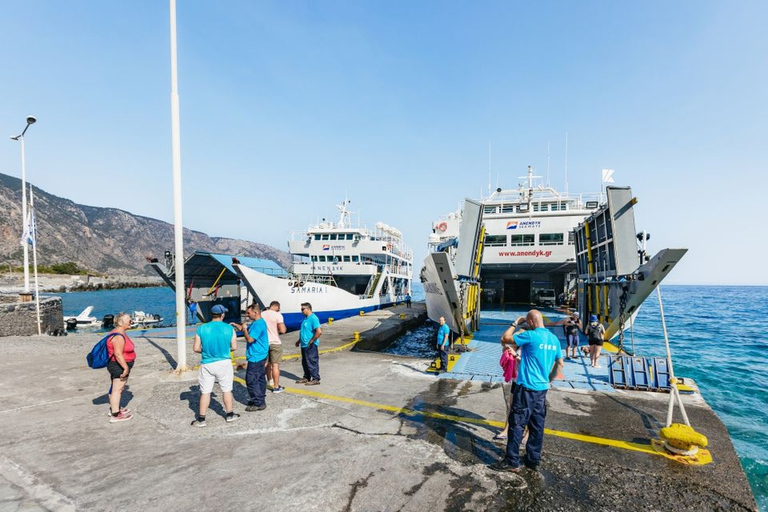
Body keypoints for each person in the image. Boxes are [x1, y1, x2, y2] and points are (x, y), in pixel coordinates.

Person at [490, 309, 564, 473]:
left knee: (517, 424)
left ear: (530, 322)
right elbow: (560, 364)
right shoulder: (554, 339)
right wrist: (548, 380)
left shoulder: (531, 335)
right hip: (542, 390)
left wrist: (515, 322)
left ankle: (512, 461)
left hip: (526, 389)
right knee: (537, 426)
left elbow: (504, 339)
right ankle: (533, 460)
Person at [191, 304, 240, 427]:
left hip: (207, 364)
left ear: (211, 314)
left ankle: (201, 419)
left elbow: (196, 348)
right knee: (227, 389)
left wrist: (206, 350)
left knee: (205, 392)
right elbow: (234, 347)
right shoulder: (229, 329)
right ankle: (229, 415)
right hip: (224, 363)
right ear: (222, 314)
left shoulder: (202, 328)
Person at [231, 303, 269, 411]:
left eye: (249, 313)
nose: (247, 315)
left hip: (256, 356)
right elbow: (246, 330)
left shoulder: (258, 324)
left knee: (251, 380)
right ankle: (260, 398)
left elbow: (250, 339)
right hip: (260, 354)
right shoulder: (257, 323)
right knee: (260, 378)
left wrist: (245, 330)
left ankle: (258, 402)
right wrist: (238, 326)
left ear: (255, 312)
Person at [106, 312, 135, 423]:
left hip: (117, 365)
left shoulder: (119, 333)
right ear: (120, 322)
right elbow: (118, 354)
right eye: (129, 320)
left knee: (116, 388)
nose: (131, 322)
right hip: (119, 365)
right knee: (117, 390)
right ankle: (115, 414)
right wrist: (125, 368)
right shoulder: (118, 336)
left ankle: (115, 408)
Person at [262, 301, 287, 393]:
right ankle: (276, 387)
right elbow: (282, 330)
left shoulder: (262, 314)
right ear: (277, 307)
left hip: (264, 343)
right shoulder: (277, 315)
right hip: (275, 342)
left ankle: (269, 381)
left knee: (267, 363)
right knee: (275, 365)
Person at [295, 302, 322, 385]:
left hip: (310, 345)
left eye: (303, 309)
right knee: (305, 362)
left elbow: (319, 332)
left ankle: (315, 378)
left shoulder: (313, 318)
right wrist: (299, 341)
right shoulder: (306, 319)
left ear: (308, 308)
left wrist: (312, 340)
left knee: (312, 361)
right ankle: (306, 377)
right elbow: (305, 331)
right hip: (304, 344)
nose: (301, 311)